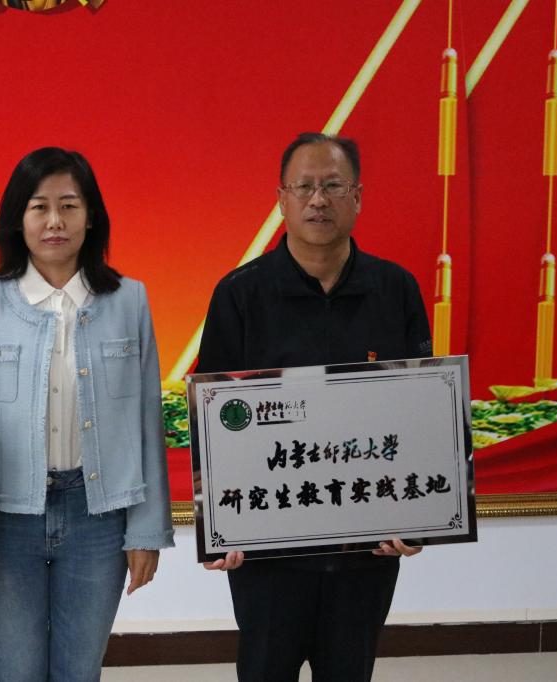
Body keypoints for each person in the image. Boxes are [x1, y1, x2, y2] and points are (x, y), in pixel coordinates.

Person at [197, 132, 430, 682]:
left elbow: (420, 410)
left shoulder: (396, 289)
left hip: (366, 547)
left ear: (358, 197)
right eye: (303, 187)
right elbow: (215, 417)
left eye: (333, 186)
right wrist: (218, 527)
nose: (318, 200)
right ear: (282, 199)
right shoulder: (240, 294)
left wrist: (417, 518)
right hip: (269, 553)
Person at [0, 147, 174, 681]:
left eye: (69, 205)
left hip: (98, 516)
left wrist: (146, 531)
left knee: (80, 669)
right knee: (17, 669)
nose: (55, 221)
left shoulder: (129, 299)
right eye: (39, 207)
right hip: (8, 517)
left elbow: (147, 420)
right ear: (18, 219)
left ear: (90, 216)